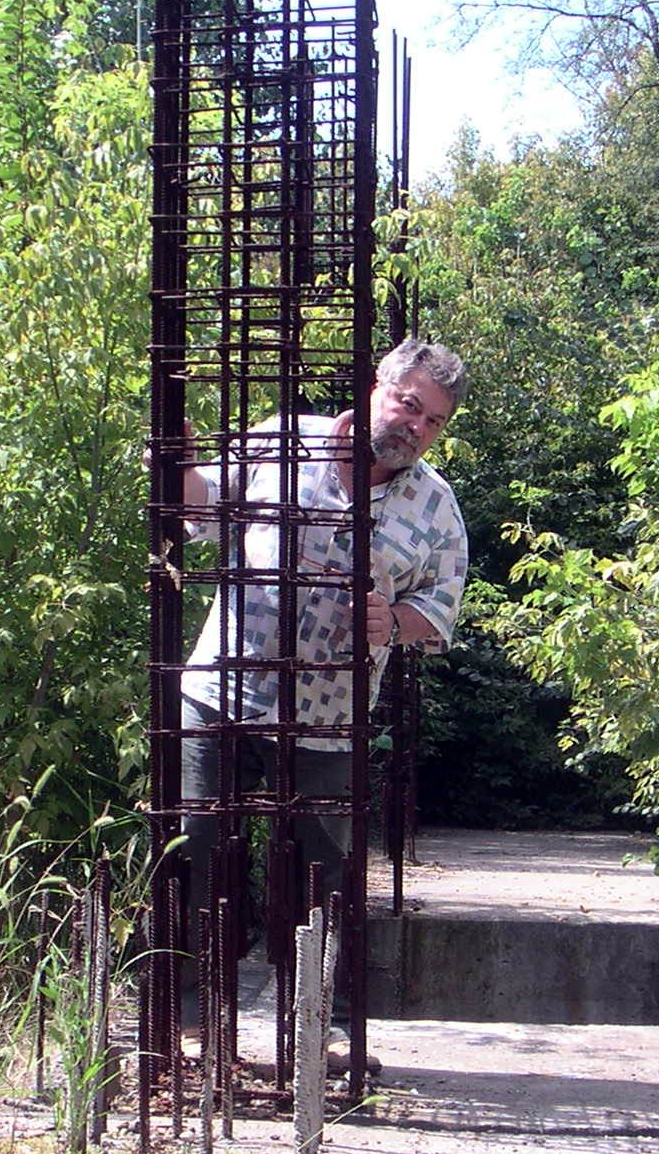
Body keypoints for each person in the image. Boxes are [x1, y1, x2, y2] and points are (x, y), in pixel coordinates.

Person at [175, 337, 470, 971]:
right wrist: (177, 464)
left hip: (329, 721)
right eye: (409, 405)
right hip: (221, 691)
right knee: (192, 851)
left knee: (316, 880)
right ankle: (187, 1019)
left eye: (433, 421)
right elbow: (201, 509)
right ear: (375, 387)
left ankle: (313, 1028)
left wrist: (391, 620)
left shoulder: (437, 507)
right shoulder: (284, 439)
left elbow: (441, 605)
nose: (415, 427)